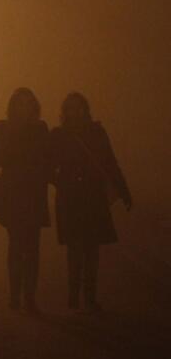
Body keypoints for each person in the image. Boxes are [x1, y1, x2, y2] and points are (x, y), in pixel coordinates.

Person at [50, 93, 131, 312]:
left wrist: (124, 191)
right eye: (71, 108)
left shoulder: (96, 132)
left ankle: (88, 297)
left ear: (85, 110)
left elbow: (110, 162)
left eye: (79, 108)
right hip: (71, 197)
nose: (75, 112)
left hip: (92, 195)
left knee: (91, 249)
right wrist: (60, 181)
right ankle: (75, 296)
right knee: (76, 249)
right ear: (65, 112)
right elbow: (47, 164)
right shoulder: (59, 135)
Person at [0, 87, 51, 313]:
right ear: (12, 106)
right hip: (13, 193)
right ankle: (15, 295)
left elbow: (47, 159)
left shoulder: (40, 128)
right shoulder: (2, 127)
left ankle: (29, 298)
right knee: (16, 244)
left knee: (32, 246)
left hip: (33, 193)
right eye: (20, 103)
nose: (24, 107)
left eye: (28, 103)